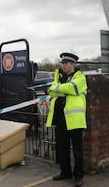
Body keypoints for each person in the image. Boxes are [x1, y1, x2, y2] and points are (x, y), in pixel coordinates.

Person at [46, 52, 87, 187]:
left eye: (66, 63)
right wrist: (57, 90)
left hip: (74, 120)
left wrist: (55, 89)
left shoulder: (80, 78)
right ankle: (65, 172)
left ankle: (78, 176)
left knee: (77, 150)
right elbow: (55, 91)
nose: (63, 65)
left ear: (72, 64)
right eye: (62, 63)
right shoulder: (59, 77)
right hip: (60, 119)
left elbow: (72, 88)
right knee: (62, 148)